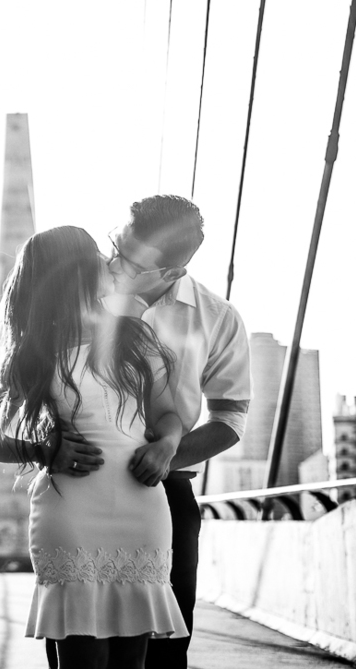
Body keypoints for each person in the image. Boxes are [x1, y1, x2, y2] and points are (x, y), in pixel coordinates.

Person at [0, 225, 190, 669]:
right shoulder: (31, 349)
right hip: (70, 513)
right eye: (93, 253)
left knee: (132, 662)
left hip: (141, 509)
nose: (105, 261)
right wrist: (40, 449)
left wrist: (166, 445)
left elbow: (169, 416)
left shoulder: (136, 336)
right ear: (70, 271)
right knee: (83, 659)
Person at [61, 195, 252, 669]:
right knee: (77, 640)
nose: (111, 261)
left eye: (128, 260)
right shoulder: (75, 300)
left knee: (165, 649)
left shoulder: (217, 318)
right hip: (79, 487)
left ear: (170, 273)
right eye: (115, 245)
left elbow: (229, 419)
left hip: (164, 496)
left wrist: (168, 451)